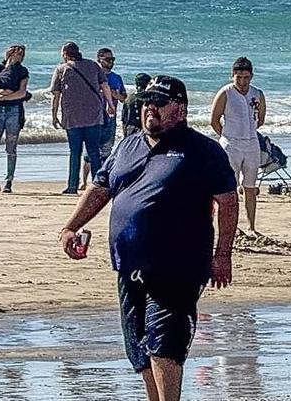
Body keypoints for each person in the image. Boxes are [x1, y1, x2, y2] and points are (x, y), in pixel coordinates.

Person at [57, 77, 238, 401]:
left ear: (180, 109)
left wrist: (222, 255)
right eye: (146, 102)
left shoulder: (202, 151)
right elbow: (100, 188)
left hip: (179, 266)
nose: (149, 108)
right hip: (129, 265)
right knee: (140, 350)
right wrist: (70, 227)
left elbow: (227, 201)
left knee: (165, 345)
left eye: (159, 102)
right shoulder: (128, 146)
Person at [210, 57, 267, 237]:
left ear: (251, 76)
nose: (242, 82)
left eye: (246, 78)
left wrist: (248, 133)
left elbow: (260, 119)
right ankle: (231, 227)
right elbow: (214, 120)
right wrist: (227, 136)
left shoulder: (257, 94)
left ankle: (251, 227)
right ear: (233, 76)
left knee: (250, 187)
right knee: (229, 188)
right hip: (231, 144)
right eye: (239, 78)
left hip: (251, 143)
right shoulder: (225, 93)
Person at [50, 42, 113, 196]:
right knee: (94, 152)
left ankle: (72, 186)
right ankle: (98, 186)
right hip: (94, 116)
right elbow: (105, 86)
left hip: (72, 117)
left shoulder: (61, 69)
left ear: (65, 53)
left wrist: (54, 115)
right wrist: (110, 105)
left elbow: (56, 95)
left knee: (75, 152)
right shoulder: (93, 65)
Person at [0, 44, 30, 193]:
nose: (20, 57)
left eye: (21, 55)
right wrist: (2, 92)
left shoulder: (22, 71)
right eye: (17, 54)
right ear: (10, 54)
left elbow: (22, 93)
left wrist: (3, 96)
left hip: (14, 110)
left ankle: (9, 181)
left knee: (11, 147)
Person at [84, 48, 127, 189]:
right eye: (108, 59)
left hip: (110, 118)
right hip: (95, 116)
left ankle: (102, 180)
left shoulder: (116, 78)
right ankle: (84, 181)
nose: (111, 62)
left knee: (107, 150)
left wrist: (116, 96)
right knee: (90, 151)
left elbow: (124, 98)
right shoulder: (93, 77)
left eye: (112, 59)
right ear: (99, 60)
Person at [122, 73, 153, 139]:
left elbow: (124, 120)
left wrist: (125, 136)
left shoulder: (129, 99)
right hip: (144, 130)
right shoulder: (150, 99)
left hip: (130, 130)